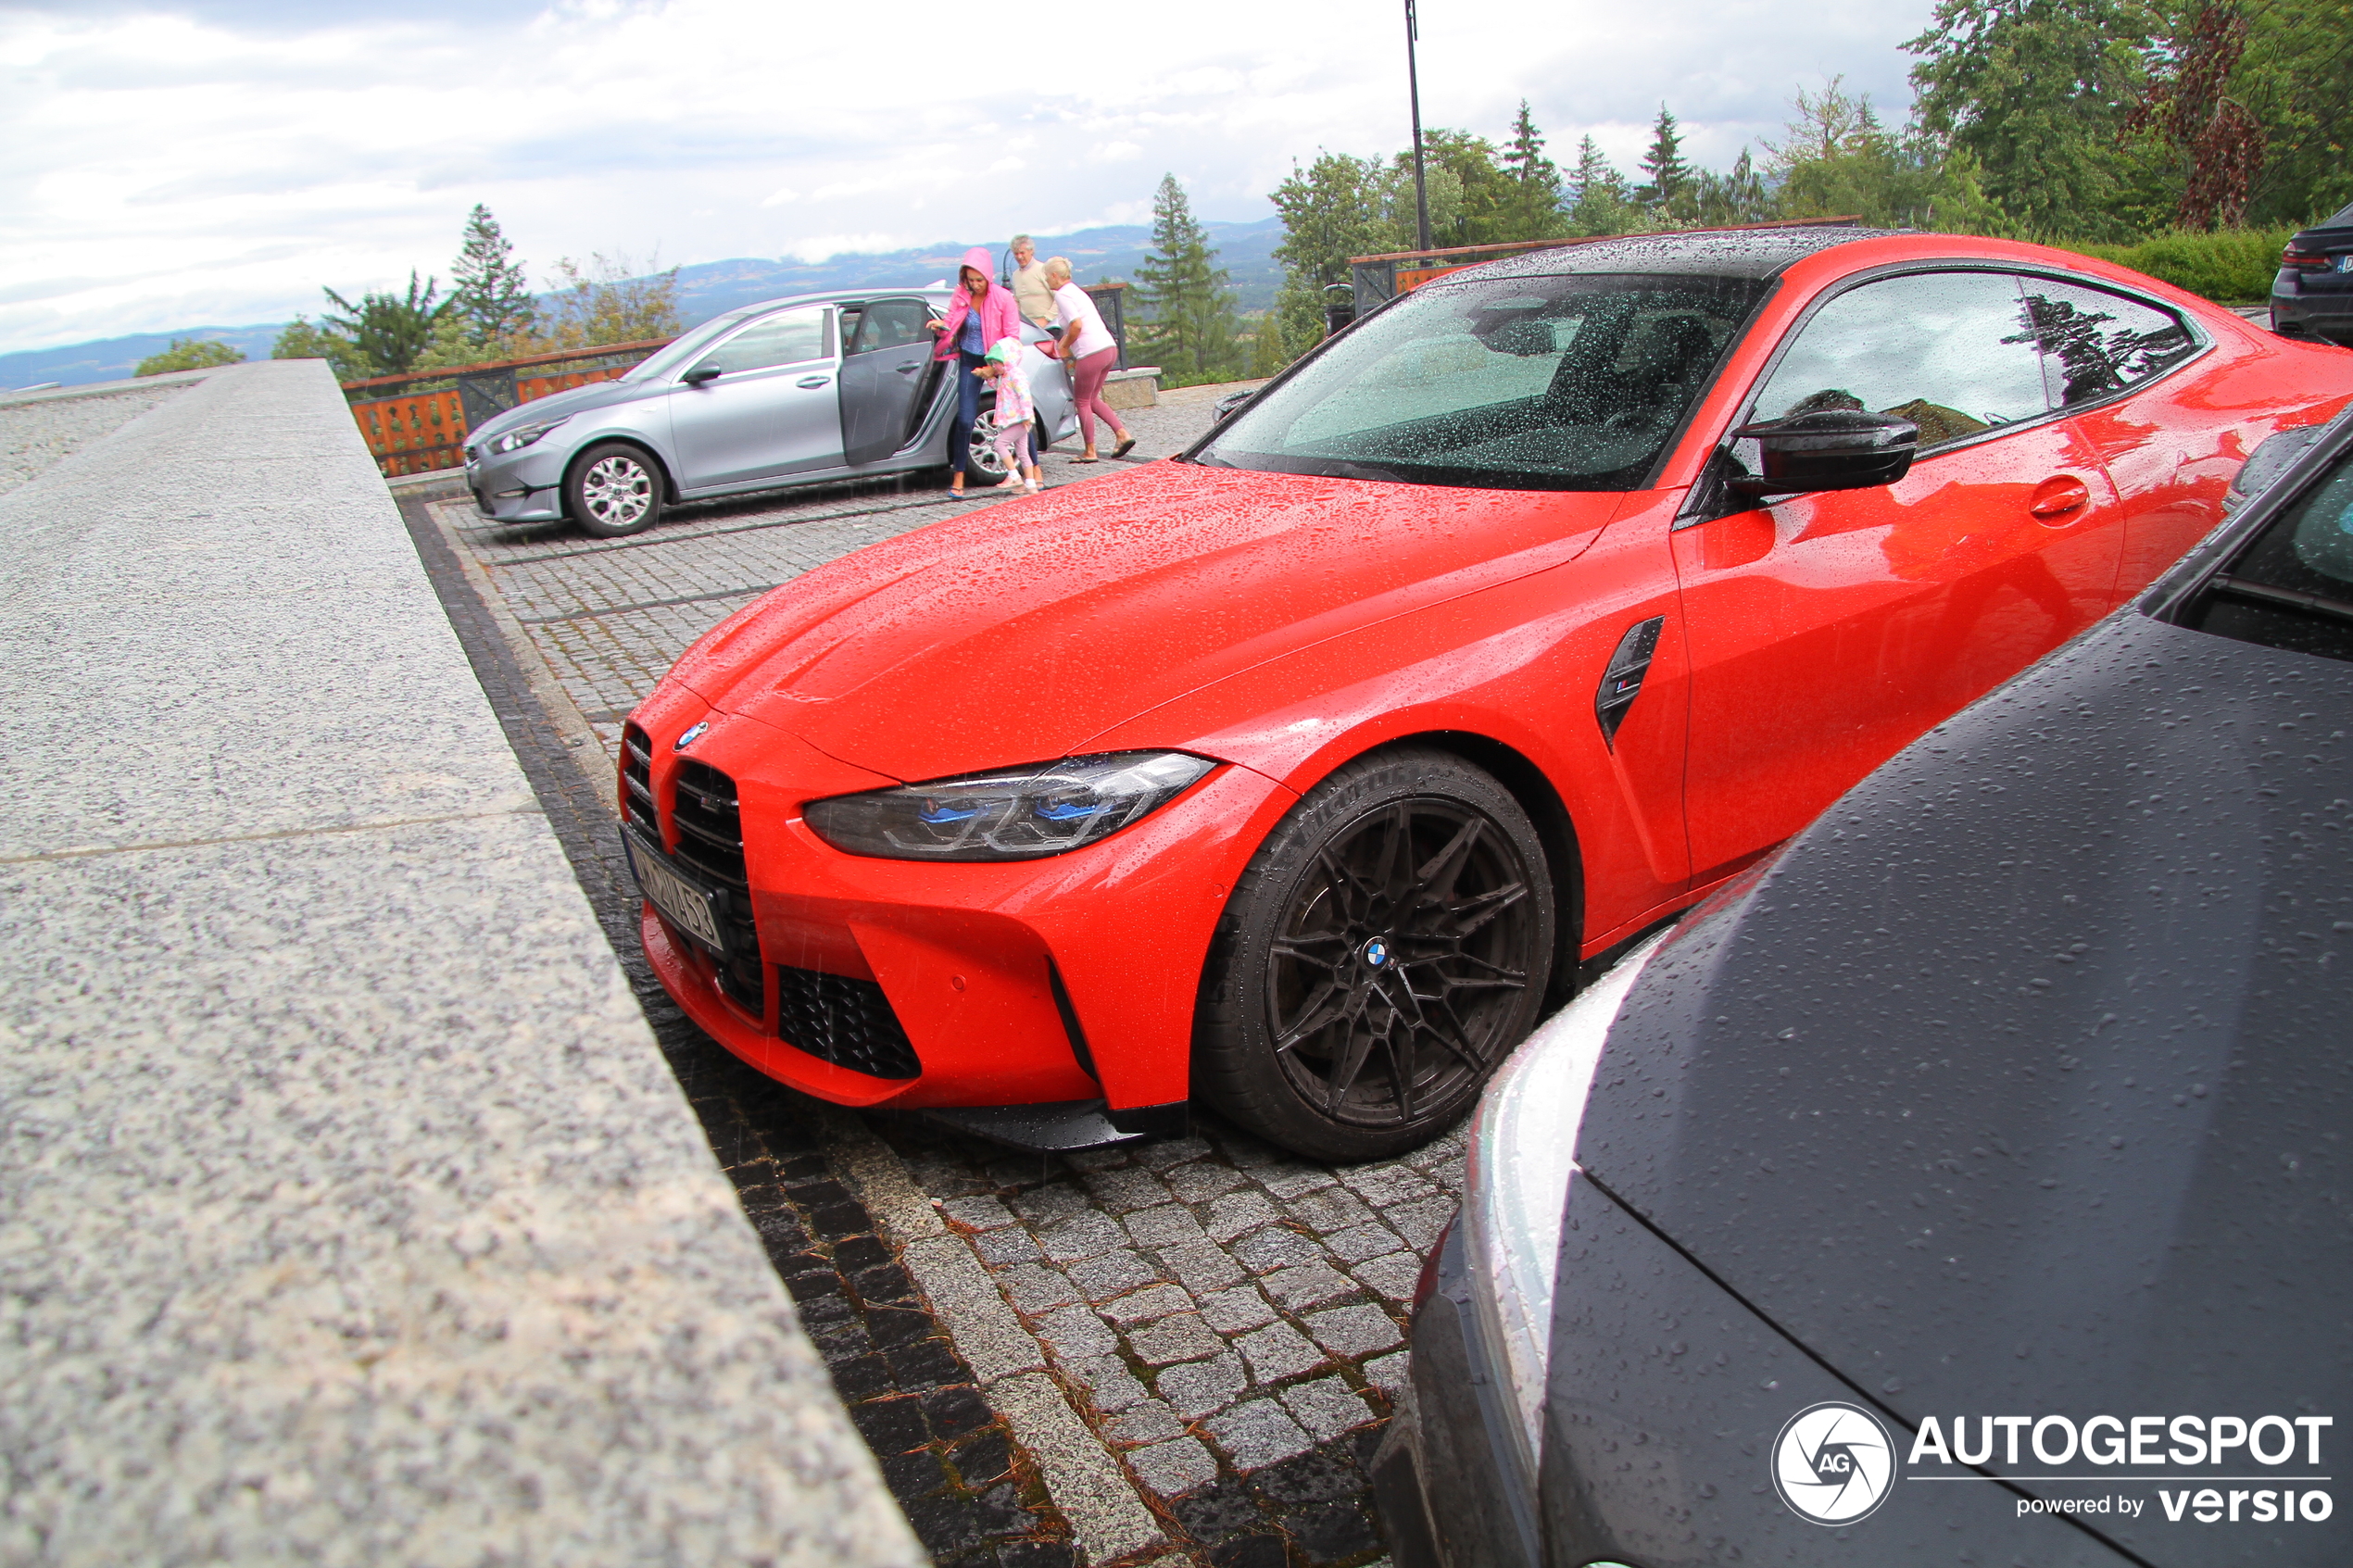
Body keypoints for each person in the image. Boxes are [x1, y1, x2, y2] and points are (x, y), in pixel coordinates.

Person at [928, 246, 1025, 495]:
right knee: (965, 419)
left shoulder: (1003, 297)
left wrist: (995, 368)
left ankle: (1032, 473)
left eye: (979, 280)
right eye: (970, 280)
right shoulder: (961, 294)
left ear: (989, 276)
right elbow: (951, 322)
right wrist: (942, 327)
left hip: (997, 361)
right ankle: (958, 478)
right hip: (970, 361)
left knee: (1016, 416)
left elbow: (1013, 337)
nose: (975, 285)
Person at [1044, 257, 1134, 462]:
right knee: (1092, 399)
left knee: (1082, 401)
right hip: (1108, 348)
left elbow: (1076, 325)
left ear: (1055, 276)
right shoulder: (1077, 291)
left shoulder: (1062, 295)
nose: (1047, 282)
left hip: (1090, 351)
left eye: (1047, 277)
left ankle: (1090, 450)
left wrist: (1064, 346)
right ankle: (1122, 434)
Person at [979, 336, 1043, 493]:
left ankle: (1014, 475)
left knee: (999, 443)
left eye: (996, 363)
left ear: (1007, 359)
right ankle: (1030, 484)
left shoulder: (1016, 375)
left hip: (1020, 419)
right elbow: (1000, 388)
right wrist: (989, 378)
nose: (994, 366)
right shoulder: (1005, 376)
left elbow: (1024, 396)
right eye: (992, 363)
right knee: (1022, 452)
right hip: (1017, 419)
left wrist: (1027, 416)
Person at [1009, 235, 1055, 329]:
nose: (1019, 257)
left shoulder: (1043, 269)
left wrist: (1046, 318)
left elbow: (1058, 298)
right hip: (1029, 327)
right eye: (1016, 254)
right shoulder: (1015, 275)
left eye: (1022, 253)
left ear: (1031, 251)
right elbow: (1017, 301)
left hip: (1050, 326)